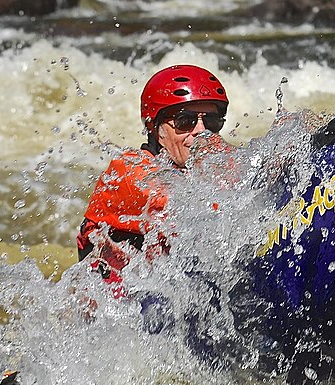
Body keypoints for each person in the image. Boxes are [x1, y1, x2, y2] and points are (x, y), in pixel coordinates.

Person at [76, 64, 231, 278]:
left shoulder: (210, 160)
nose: (201, 131)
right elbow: (189, 206)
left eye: (212, 122)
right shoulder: (128, 172)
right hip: (125, 305)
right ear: (155, 128)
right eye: (185, 121)